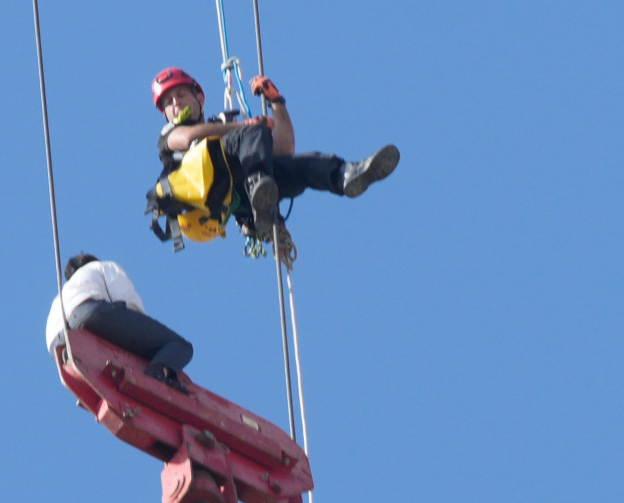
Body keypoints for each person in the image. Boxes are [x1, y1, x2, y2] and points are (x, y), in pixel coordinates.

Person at [148, 66, 401, 240]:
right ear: (164, 113)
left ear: (199, 97)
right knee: (253, 132)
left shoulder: (227, 127)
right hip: (212, 192)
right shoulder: (168, 134)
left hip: (241, 190)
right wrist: (246, 126)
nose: (176, 103)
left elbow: (283, 150)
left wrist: (277, 102)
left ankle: (345, 176)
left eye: (180, 94)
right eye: (168, 102)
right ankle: (259, 187)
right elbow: (188, 137)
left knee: (303, 165)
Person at [46, 253, 192, 392]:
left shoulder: (59, 296)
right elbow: (127, 299)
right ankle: (157, 372)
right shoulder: (102, 266)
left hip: (57, 345)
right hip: (89, 314)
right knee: (180, 346)